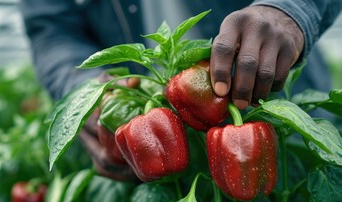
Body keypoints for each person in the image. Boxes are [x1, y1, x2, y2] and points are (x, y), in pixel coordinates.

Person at [19, 0, 341, 178]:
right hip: (149, 132)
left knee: (303, 175)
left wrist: (289, 10)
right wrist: (84, 92)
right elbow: (51, 29)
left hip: (282, 111)